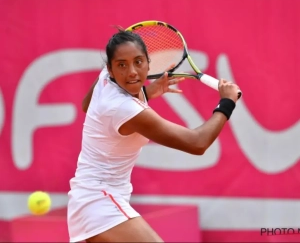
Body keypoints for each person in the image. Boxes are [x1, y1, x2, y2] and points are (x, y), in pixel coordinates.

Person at [67, 29, 240, 243]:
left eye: (138, 62)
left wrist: (146, 94)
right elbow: (197, 143)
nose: (131, 71)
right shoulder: (123, 108)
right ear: (110, 69)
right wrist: (227, 103)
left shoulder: (105, 80)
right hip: (99, 202)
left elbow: (88, 105)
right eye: (122, 65)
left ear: (149, 63)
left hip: (89, 200)